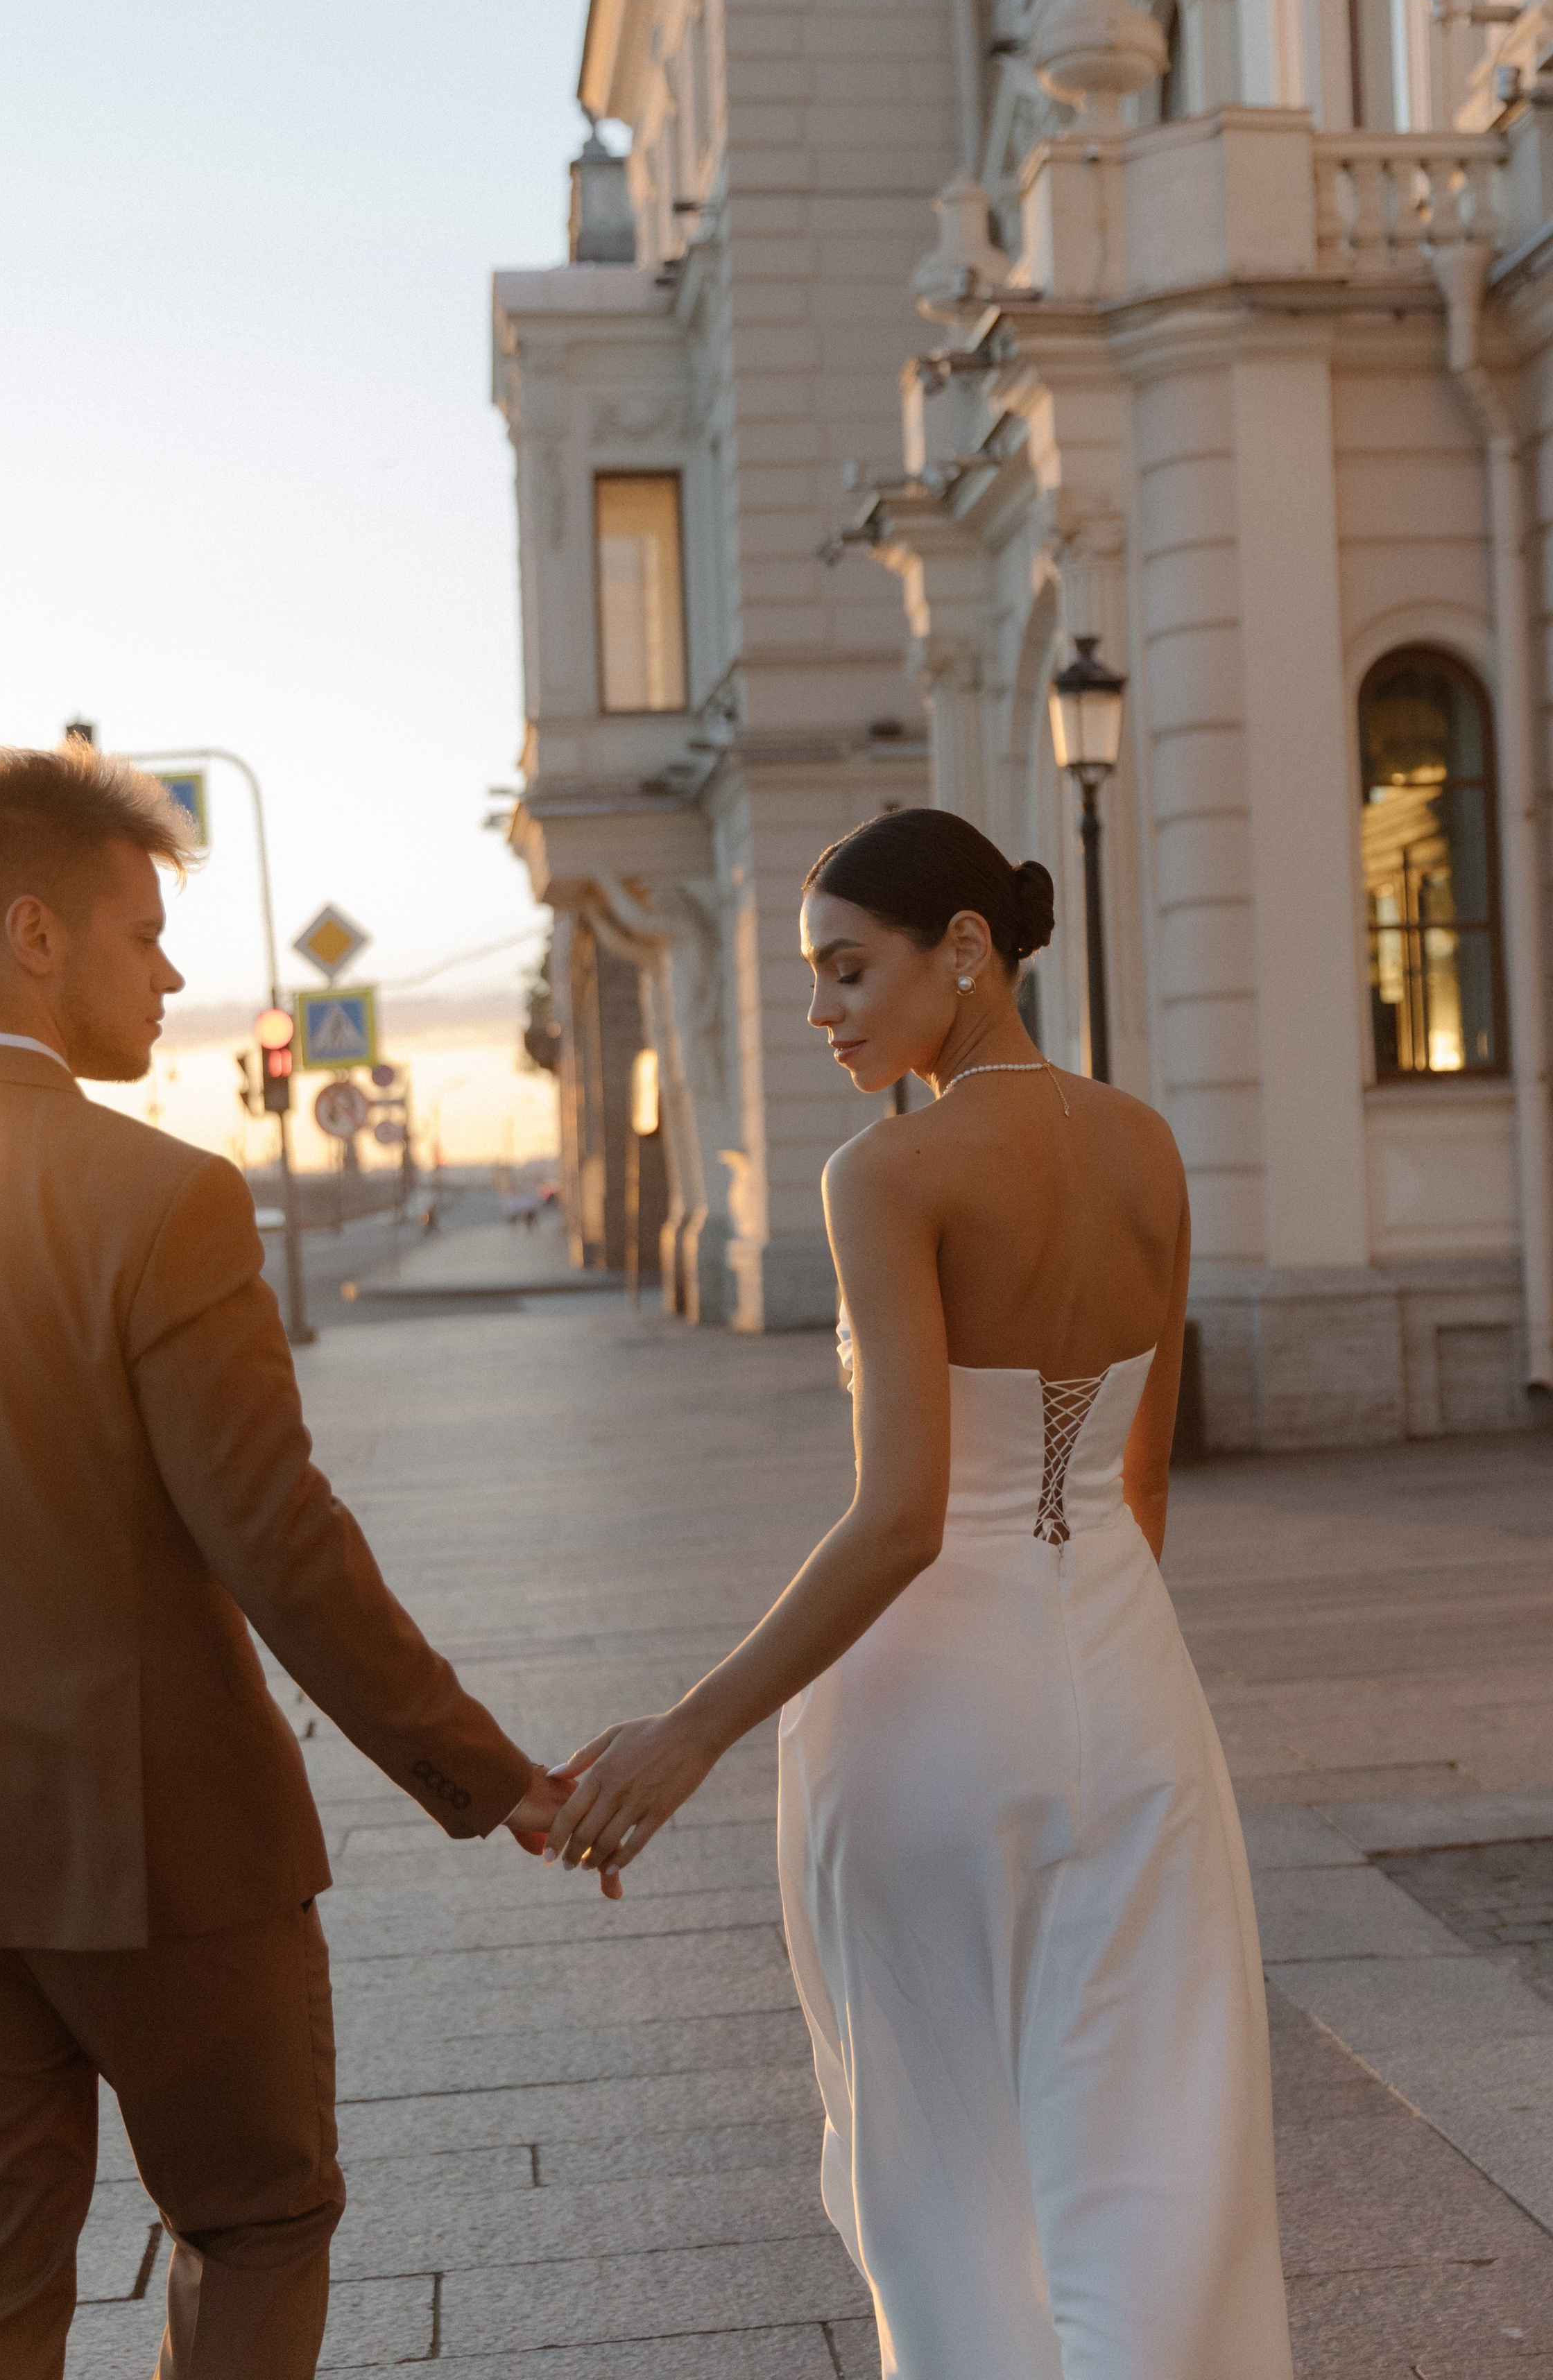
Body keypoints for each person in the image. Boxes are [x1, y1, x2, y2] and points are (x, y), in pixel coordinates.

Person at [0, 743, 565, 2380]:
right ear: (35, 935)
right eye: (145, 931)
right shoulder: (164, 1200)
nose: (174, 972)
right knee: (255, 2221)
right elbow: (275, 1537)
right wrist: (484, 1773)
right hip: (163, 1847)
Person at [544, 807, 1292, 2380]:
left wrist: (690, 1733)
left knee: (945, 2176)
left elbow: (898, 1520)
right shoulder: (1144, 1142)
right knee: (1149, 2157)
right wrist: (1080, 1645)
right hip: (1132, 1691)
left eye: (848, 970)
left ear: (965, 950)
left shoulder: (886, 1172)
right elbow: (1136, 1483)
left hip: (932, 1714)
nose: (821, 1013)